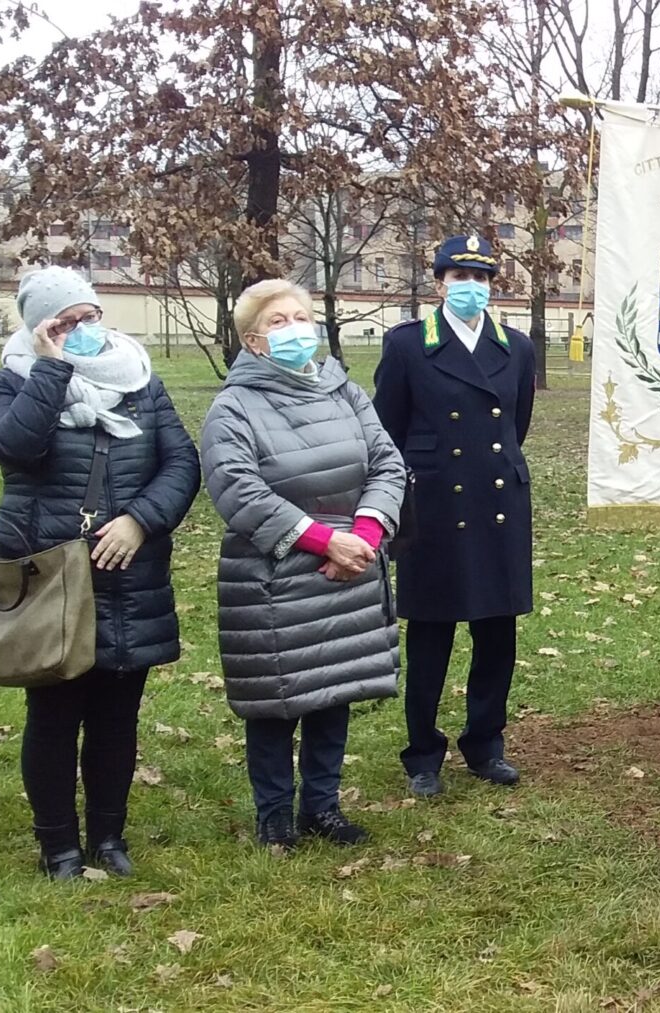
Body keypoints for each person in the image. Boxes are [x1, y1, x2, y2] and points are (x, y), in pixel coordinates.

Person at [0, 267, 200, 879]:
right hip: (48, 575)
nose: (78, 330)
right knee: (53, 714)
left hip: (128, 571)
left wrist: (140, 522)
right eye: (62, 322)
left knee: (115, 713)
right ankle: (59, 847)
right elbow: (13, 446)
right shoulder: (5, 383)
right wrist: (51, 367)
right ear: (38, 327)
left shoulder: (140, 382)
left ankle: (107, 836)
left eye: (86, 317)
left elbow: (181, 463)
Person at [201, 280, 407, 850]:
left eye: (301, 316)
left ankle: (323, 806)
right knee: (276, 698)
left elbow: (387, 464)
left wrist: (363, 534)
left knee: (333, 686)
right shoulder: (234, 406)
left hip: (352, 563)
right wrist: (321, 541)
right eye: (278, 321)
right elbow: (236, 489)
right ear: (254, 340)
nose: (295, 328)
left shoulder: (344, 391)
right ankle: (274, 817)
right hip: (277, 574)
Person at [372, 235, 537, 798]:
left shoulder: (516, 346)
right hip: (437, 505)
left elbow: (516, 424)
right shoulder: (408, 345)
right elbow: (387, 430)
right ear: (439, 281)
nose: (471, 287)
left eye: (482, 278)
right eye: (459, 276)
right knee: (431, 634)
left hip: (497, 504)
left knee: (497, 632)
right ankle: (423, 753)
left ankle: (486, 744)